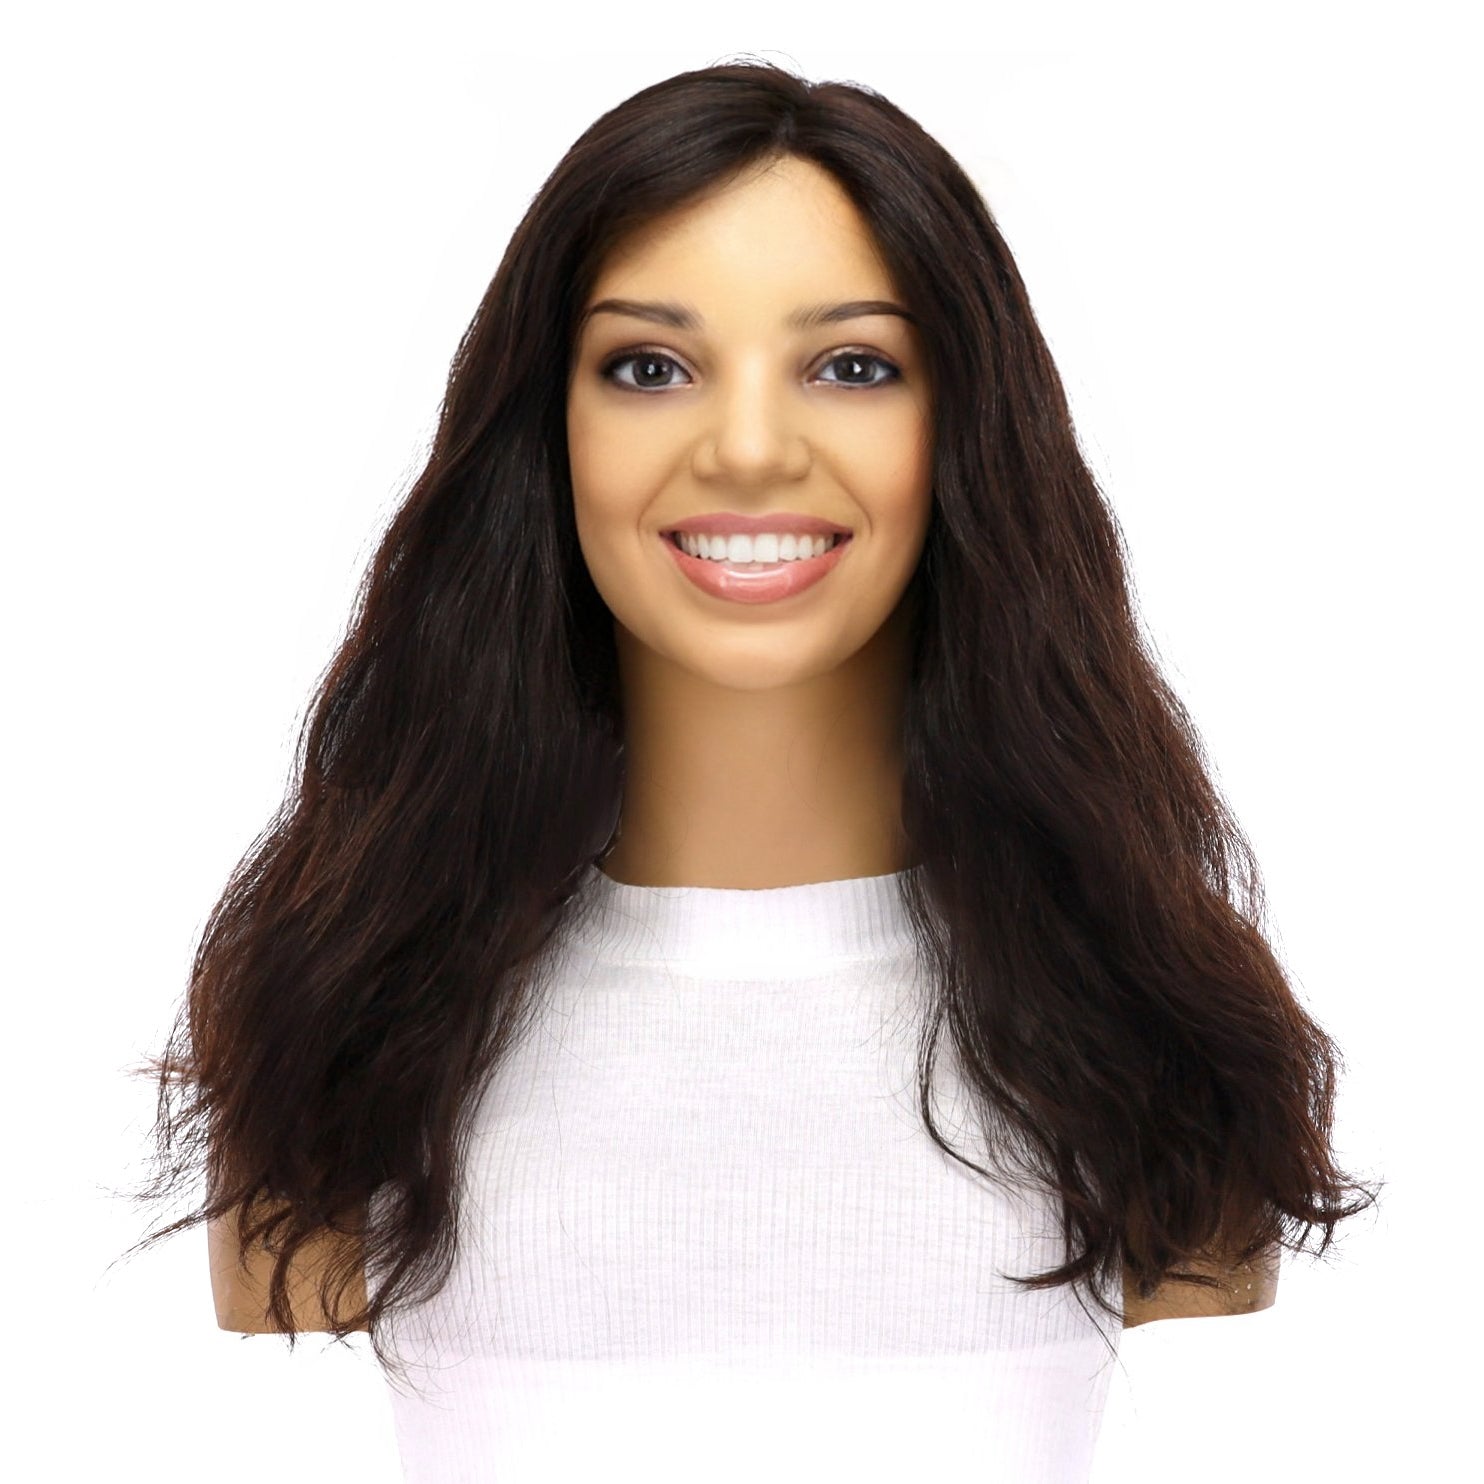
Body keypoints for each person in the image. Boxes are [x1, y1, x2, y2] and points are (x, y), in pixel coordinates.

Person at [126, 58, 1378, 1482]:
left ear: (963, 427)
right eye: (650, 368)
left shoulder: (1148, 1025)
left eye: (851, 366)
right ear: (548, 433)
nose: (748, 449)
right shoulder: (344, 1017)